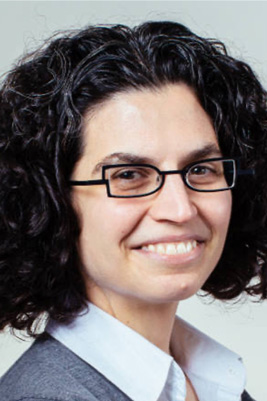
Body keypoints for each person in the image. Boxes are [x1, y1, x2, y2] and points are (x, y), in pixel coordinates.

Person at [0, 20, 266, 401]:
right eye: (128, 175)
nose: (179, 208)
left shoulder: (211, 382)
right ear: (52, 202)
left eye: (201, 169)